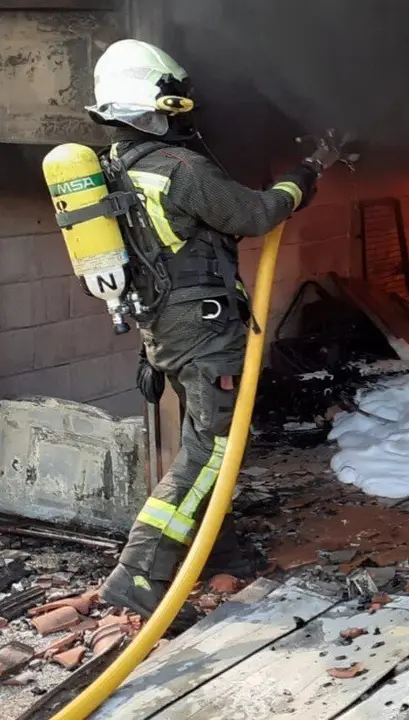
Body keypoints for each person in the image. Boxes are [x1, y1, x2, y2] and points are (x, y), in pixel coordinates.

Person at [85, 39, 343, 624]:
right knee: (211, 451)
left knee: (206, 443)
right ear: (161, 104)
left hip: (168, 331)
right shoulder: (181, 169)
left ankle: (218, 550)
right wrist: (308, 172)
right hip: (204, 334)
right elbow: (255, 214)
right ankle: (137, 578)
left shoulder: (116, 168)